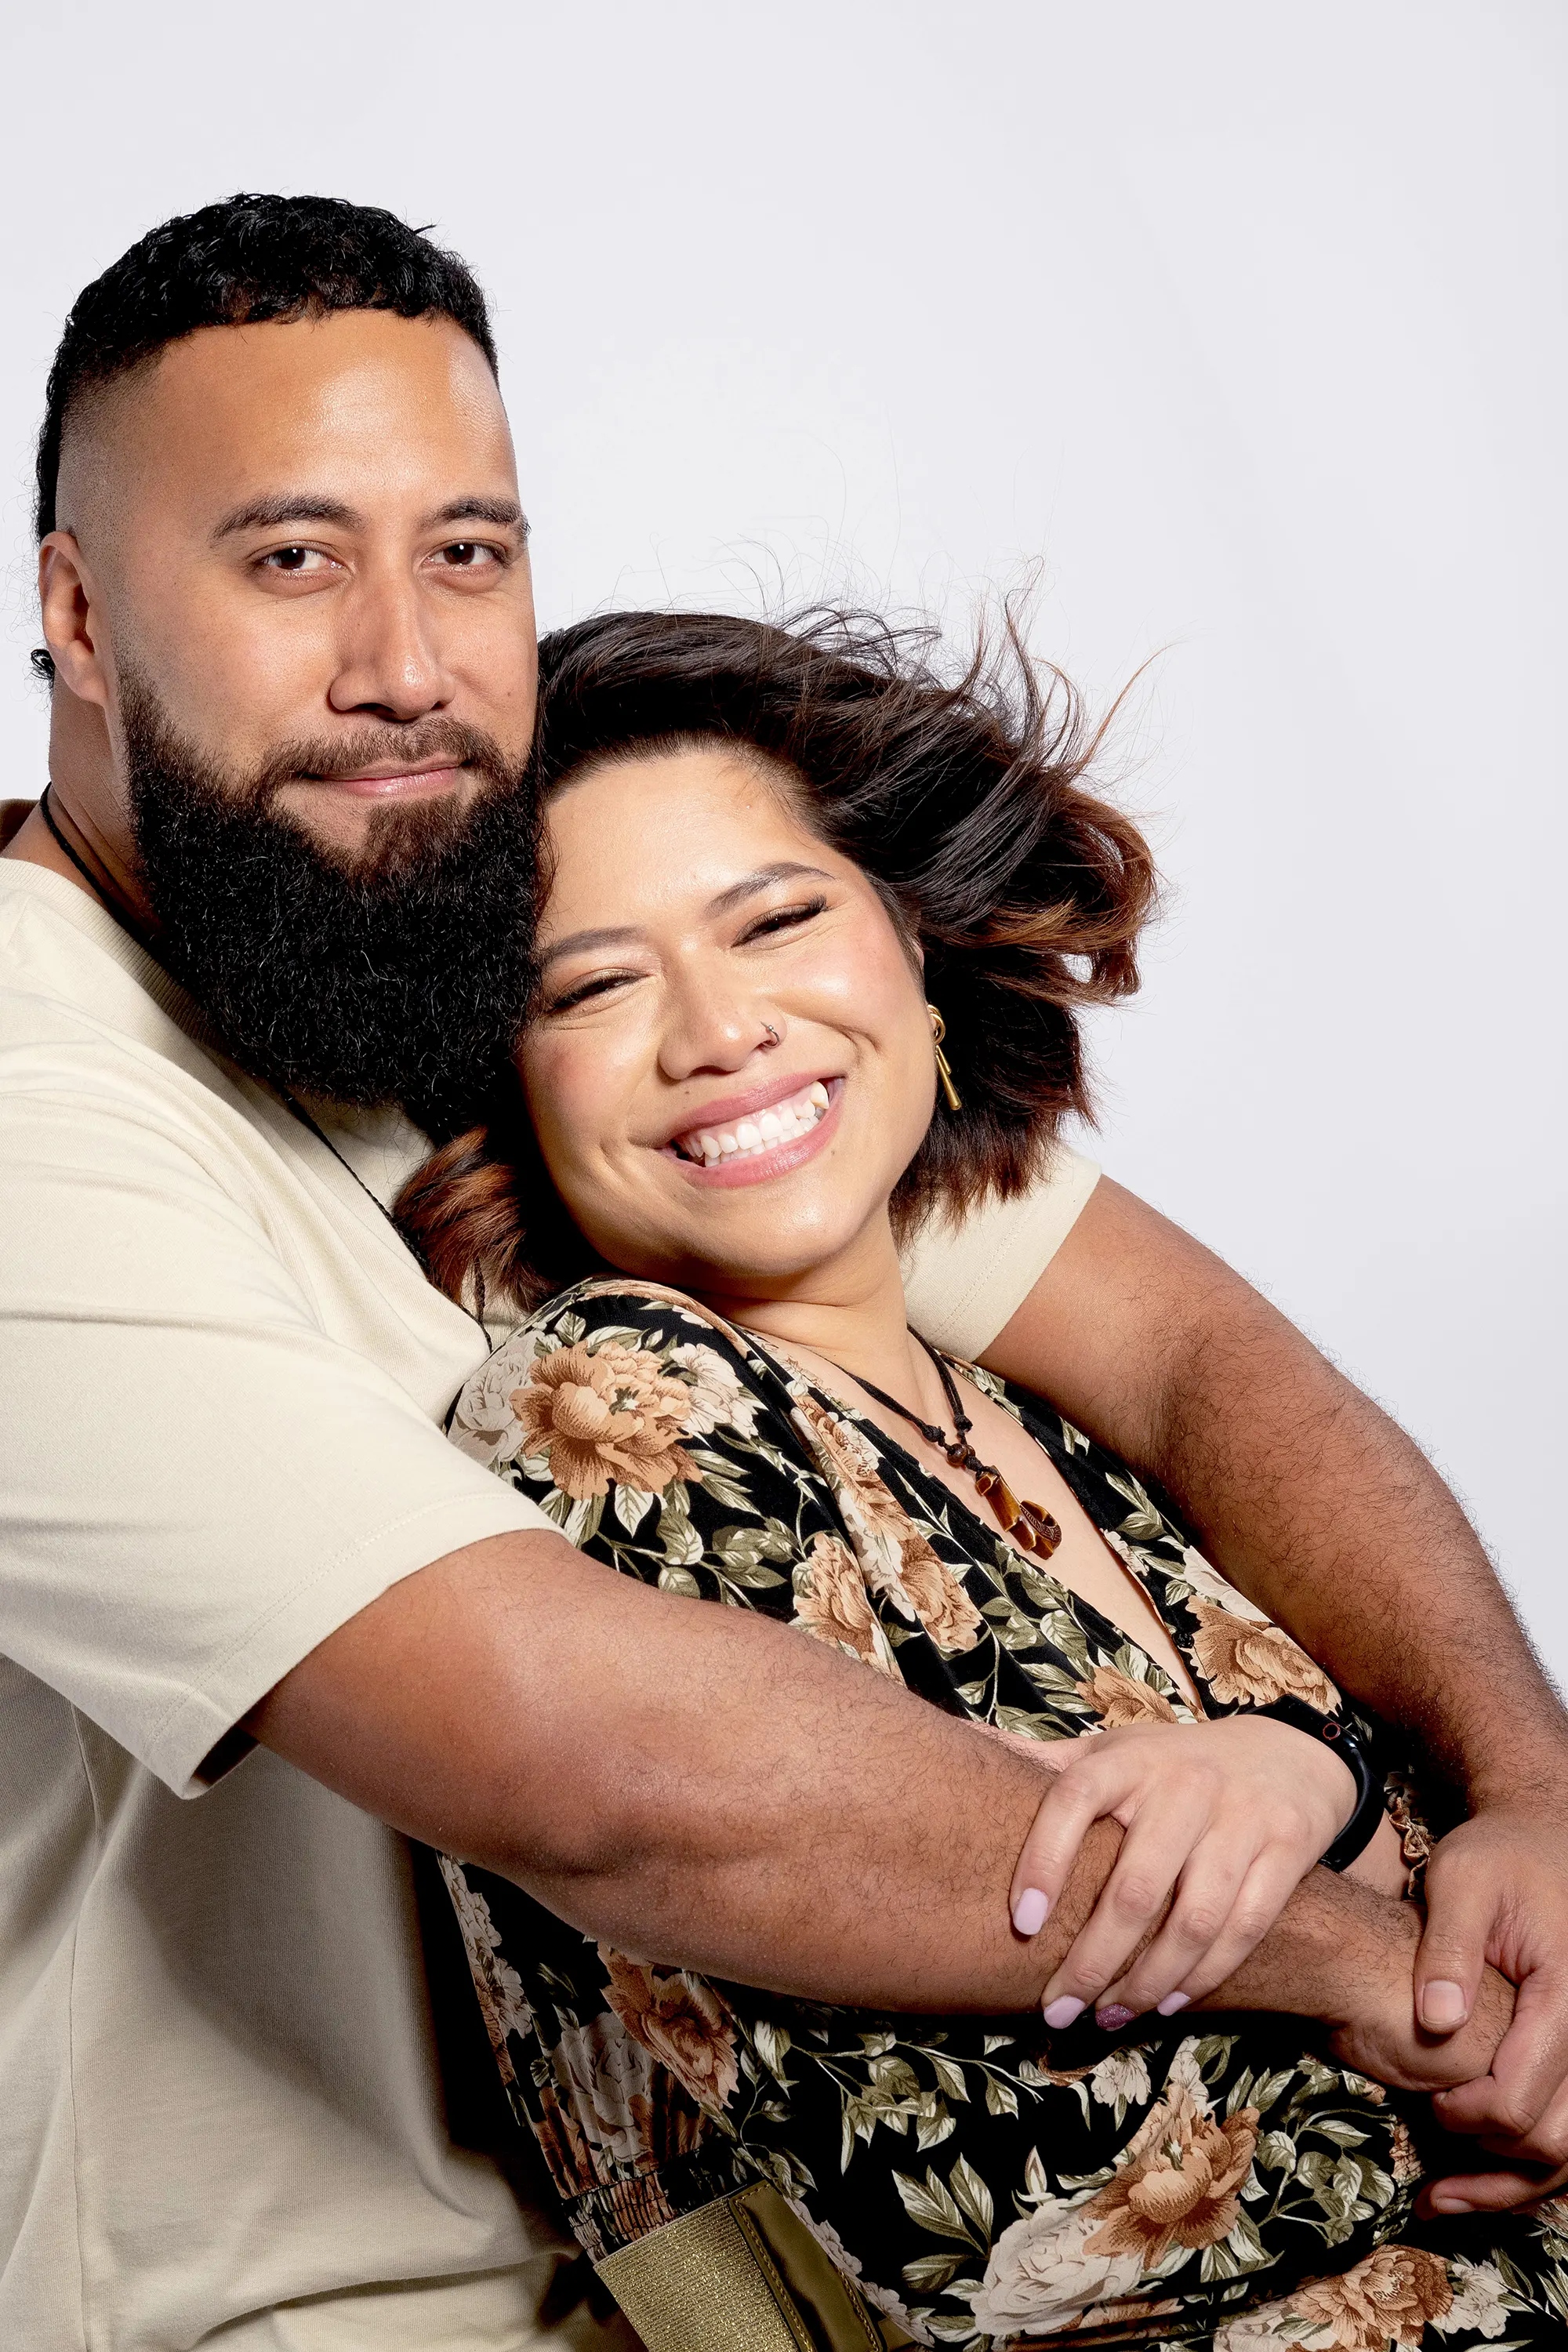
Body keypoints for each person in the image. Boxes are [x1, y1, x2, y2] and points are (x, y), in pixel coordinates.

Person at [1, 193, 1564, 2352]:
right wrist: (1371, 1958)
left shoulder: (440, 932)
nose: (403, 658)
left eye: (467, 551)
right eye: (289, 559)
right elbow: (590, 1768)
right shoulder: (34, 1100)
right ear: (76, 611)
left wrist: (1522, 1798)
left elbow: (1188, 1357)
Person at [401, 608, 1567, 2347]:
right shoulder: (615, 1407)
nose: (718, 1030)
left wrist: (1354, 1799)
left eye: (776, 918)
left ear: (917, 953)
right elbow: (980, 2190)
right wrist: (1473, 2030)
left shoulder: (1050, 1416)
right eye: (591, 984)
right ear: (507, 1074)